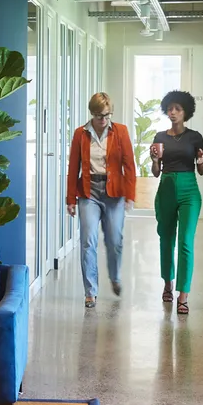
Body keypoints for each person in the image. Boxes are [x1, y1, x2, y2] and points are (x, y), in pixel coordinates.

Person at [66, 93, 136, 308]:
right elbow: (73, 167)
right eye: (99, 116)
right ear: (92, 114)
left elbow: (129, 165)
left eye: (107, 115)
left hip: (114, 193)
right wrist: (71, 199)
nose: (103, 120)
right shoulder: (81, 134)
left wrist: (130, 195)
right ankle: (90, 291)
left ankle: (114, 277)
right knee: (88, 240)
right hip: (89, 193)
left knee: (115, 240)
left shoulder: (121, 131)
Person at [149, 90, 203, 314]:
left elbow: (201, 170)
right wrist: (155, 160)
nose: (172, 113)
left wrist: (201, 162)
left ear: (186, 112)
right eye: (170, 109)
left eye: (177, 109)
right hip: (166, 187)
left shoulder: (195, 137)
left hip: (190, 190)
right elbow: (156, 172)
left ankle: (183, 295)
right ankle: (167, 283)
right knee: (166, 238)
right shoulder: (160, 137)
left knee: (186, 241)